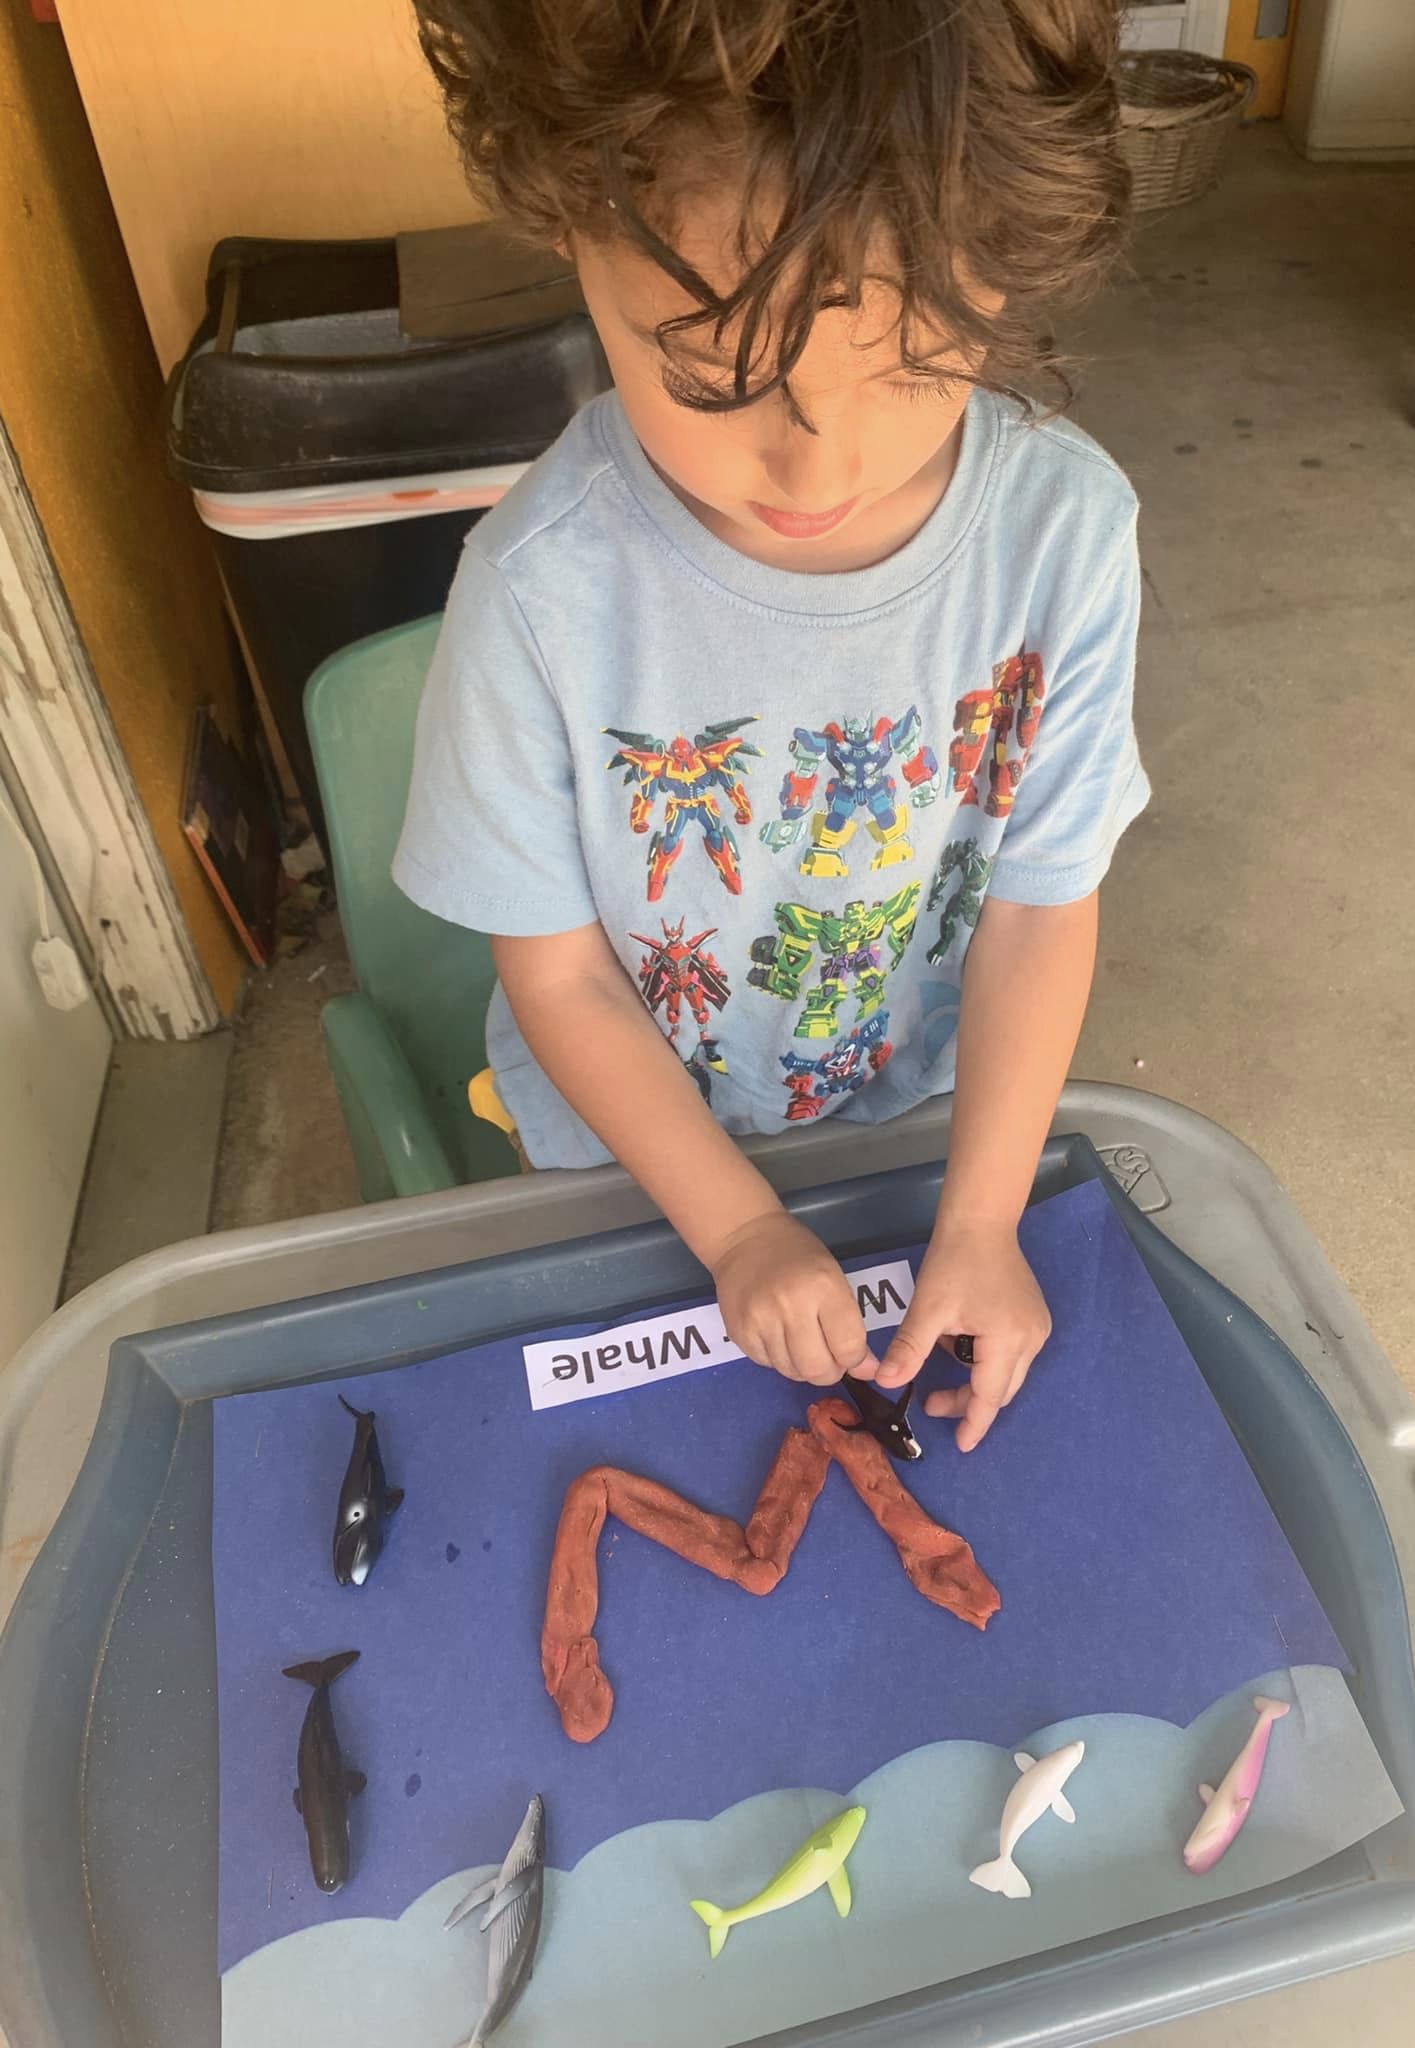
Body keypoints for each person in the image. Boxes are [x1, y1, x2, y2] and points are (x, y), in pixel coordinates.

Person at [395, 0, 1147, 1451]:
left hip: (913, 1121)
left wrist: (981, 1223)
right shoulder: (540, 591)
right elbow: (560, 978)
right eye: (719, 375)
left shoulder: (1064, 537)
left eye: (917, 362)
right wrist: (738, 1229)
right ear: (569, 231)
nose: (821, 466)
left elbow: (1042, 908)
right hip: (633, 1156)